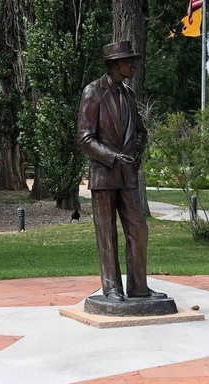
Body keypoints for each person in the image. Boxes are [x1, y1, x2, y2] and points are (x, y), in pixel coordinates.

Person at [77, 41, 165, 302]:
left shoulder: (128, 94)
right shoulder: (93, 92)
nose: (132, 66)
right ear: (116, 64)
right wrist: (113, 157)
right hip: (104, 175)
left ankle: (139, 287)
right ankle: (111, 287)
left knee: (138, 229)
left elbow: (141, 132)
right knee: (107, 233)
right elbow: (84, 138)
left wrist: (137, 152)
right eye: (128, 61)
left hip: (128, 176)